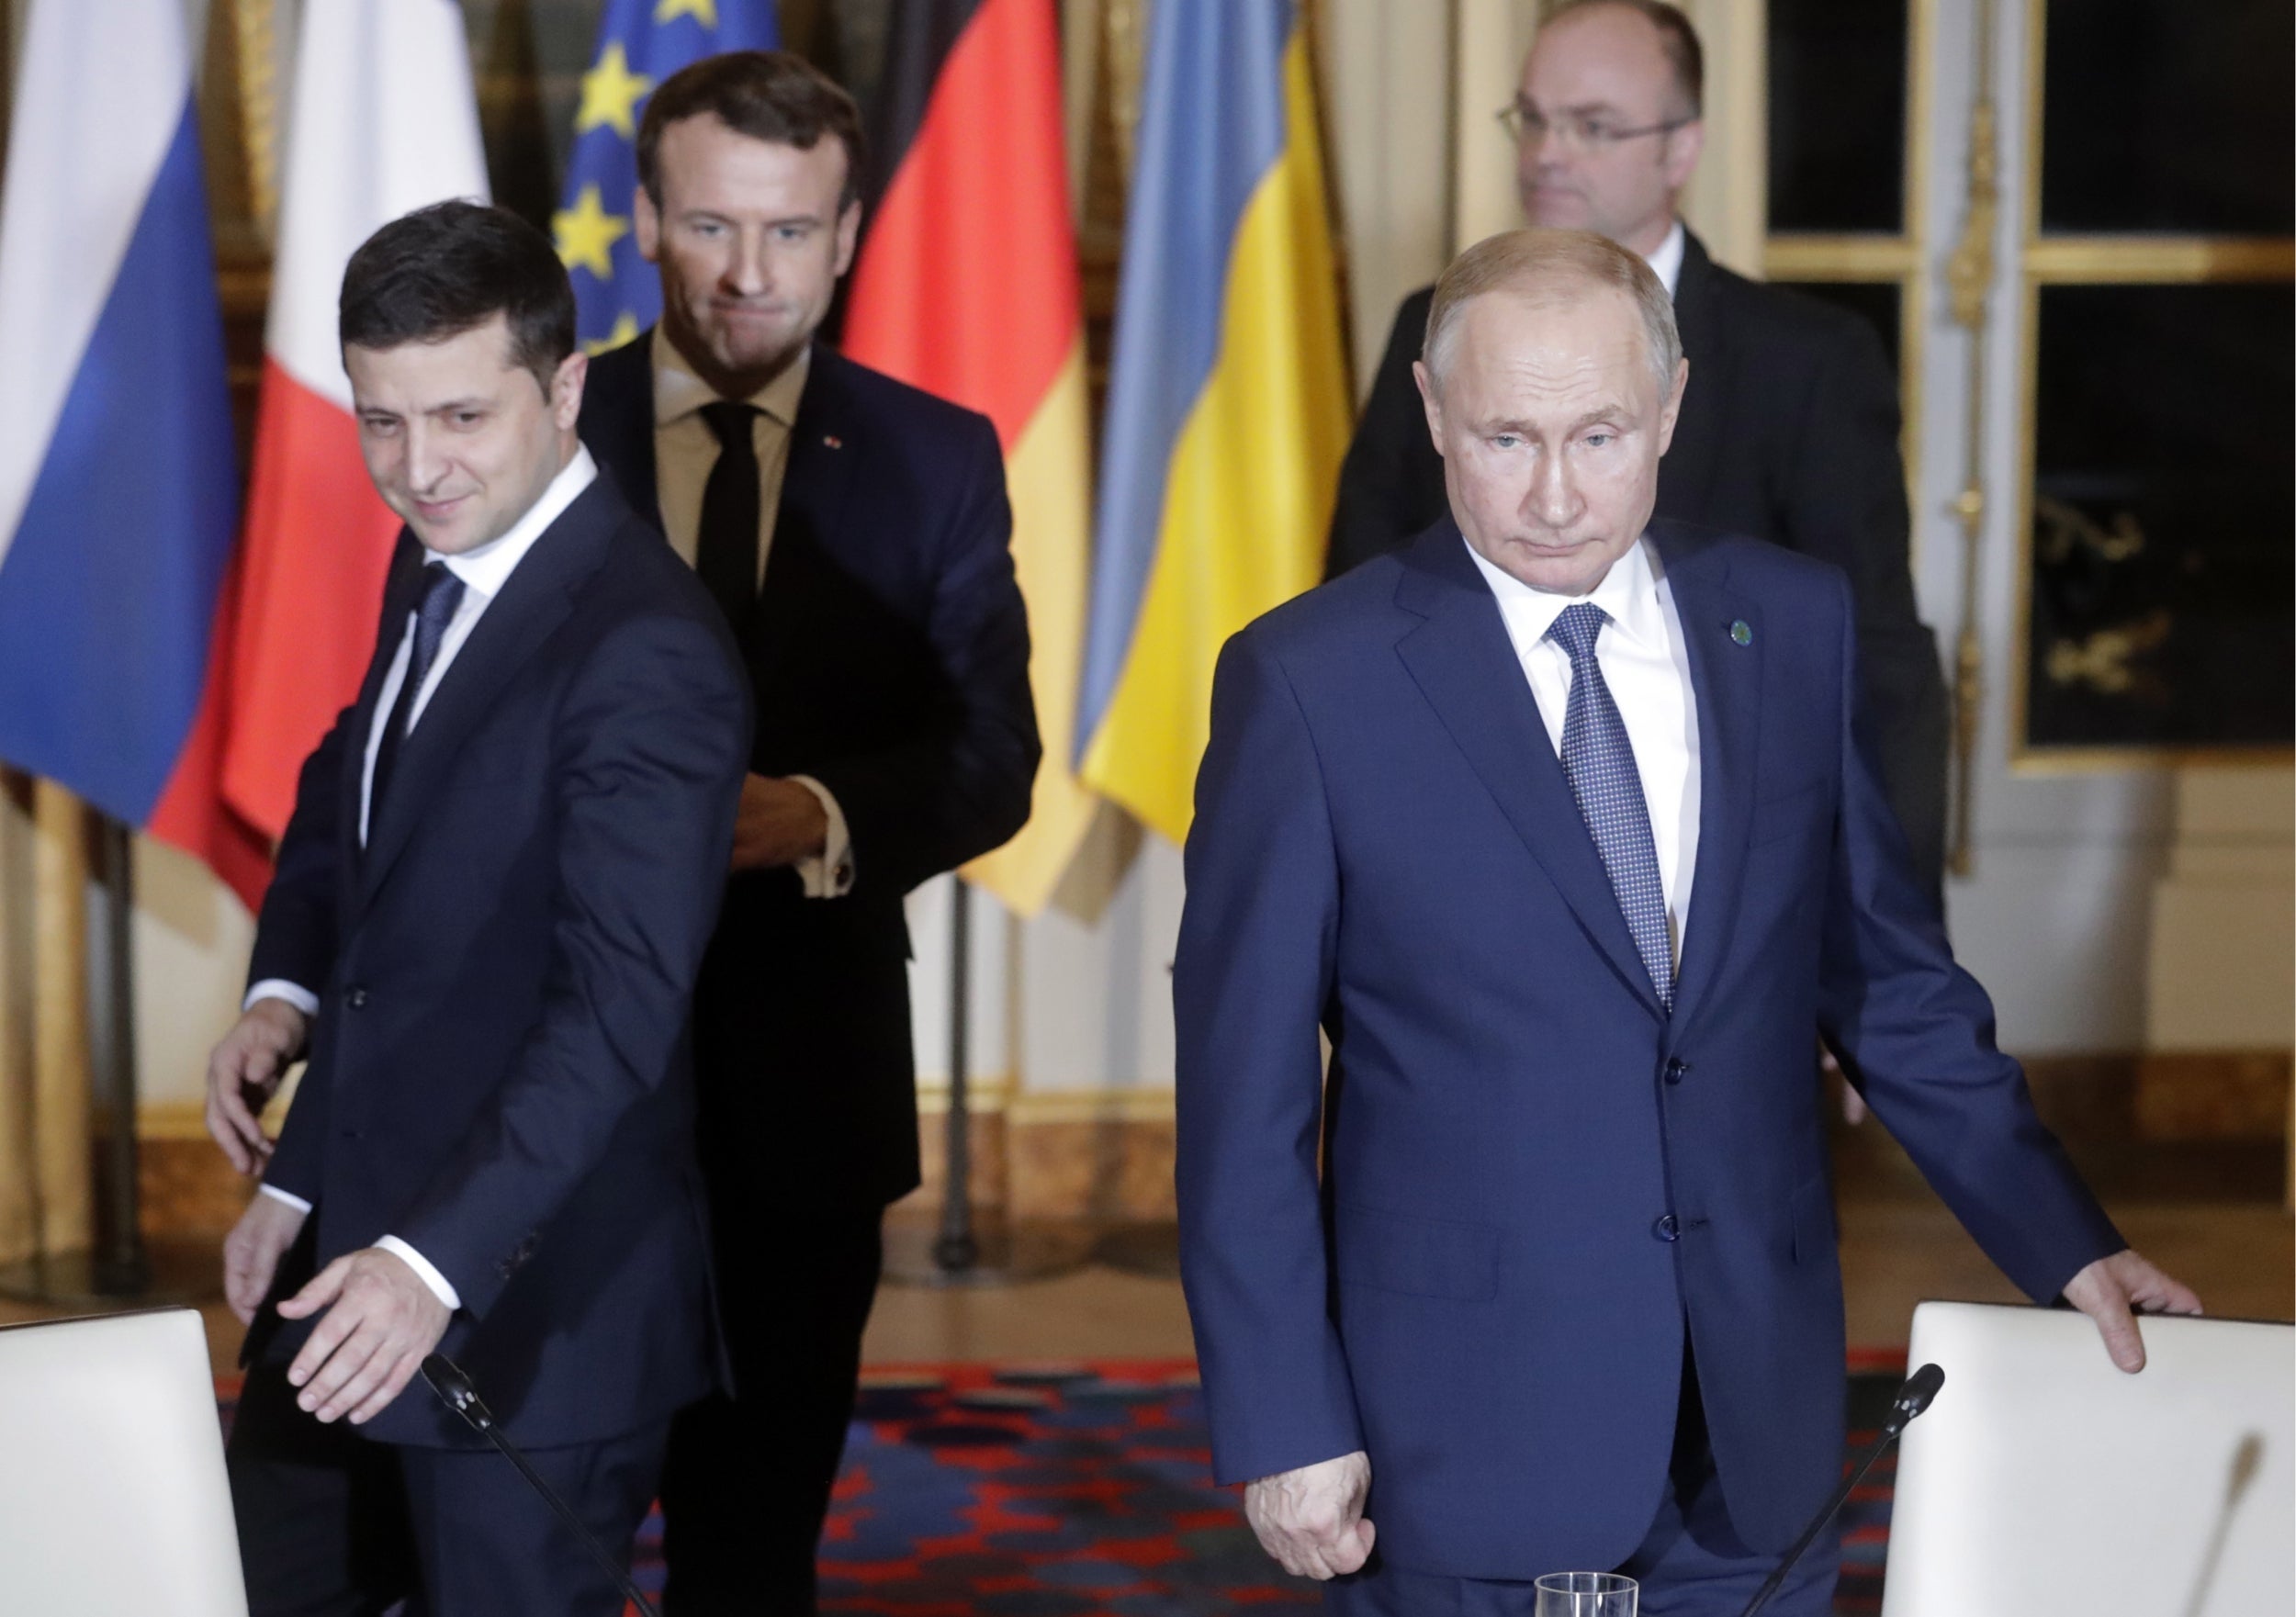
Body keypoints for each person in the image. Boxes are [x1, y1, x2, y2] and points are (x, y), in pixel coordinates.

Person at [1174, 229, 2200, 1615]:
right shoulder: (1309, 683)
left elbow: (1886, 980)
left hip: (1755, 1433)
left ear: (1670, 408)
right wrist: (1285, 1418)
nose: (1552, 495)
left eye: (1599, 436)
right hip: (1463, 1436)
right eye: (1504, 439)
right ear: (1429, 411)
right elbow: (1241, 1098)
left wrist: (2063, 1237)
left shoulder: (1787, 624)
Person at [200, 200, 750, 1613]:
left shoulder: (650, 651)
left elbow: (616, 1016)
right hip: (351, 1257)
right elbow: (358, 791)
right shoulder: (441, 545)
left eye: (457, 417)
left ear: (565, 388)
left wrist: (425, 1262)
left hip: (529, 1317)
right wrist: (300, 1131)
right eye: (380, 423)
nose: (416, 470)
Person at [577, 50, 1040, 1615]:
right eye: (710, 226)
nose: (748, 274)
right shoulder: (531, 438)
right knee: (524, 1538)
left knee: (752, 1546)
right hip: (556, 1092)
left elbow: (992, 756)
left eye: (790, 233)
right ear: (644, 219)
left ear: (847, 236)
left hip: (804, 1079)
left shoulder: (934, 456)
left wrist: (819, 815)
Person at [1327, 0, 1950, 898]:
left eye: (1591, 126)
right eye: (1533, 117)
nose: (1546, 151)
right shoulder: (1427, 331)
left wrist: (1878, 950)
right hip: (1464, 873)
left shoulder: (1804, 361)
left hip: (1727, 897)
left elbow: (1876, 673)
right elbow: (1360, 608)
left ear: (1681, 149)